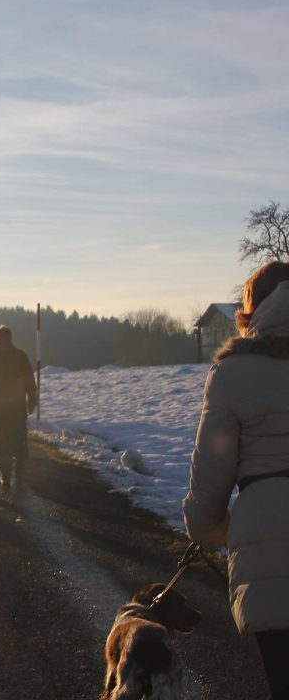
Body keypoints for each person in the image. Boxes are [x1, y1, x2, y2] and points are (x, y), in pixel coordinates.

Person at [182, 261, 289, 699]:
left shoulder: (231, 373)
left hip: (266, 545)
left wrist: (207, 530)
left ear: (252, 309)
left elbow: (213, 468)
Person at [0, 325, 38, 492]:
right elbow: (29, 380)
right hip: (17, 402)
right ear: (10, 338)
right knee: (19, 434)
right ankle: (19, 469)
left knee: (2, 437)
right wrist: (32, 399)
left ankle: (5, 475)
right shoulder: (20, 355)